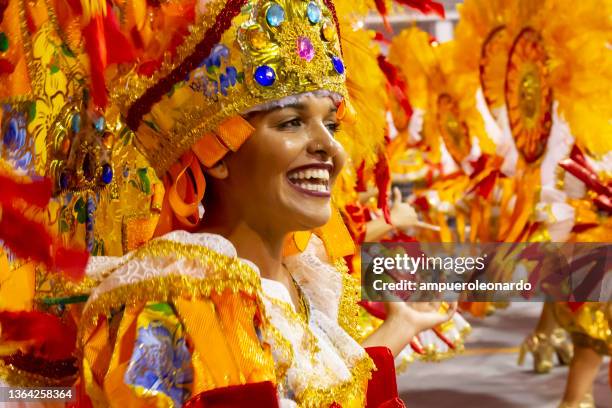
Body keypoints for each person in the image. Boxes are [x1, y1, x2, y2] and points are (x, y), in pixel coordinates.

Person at [0, 0, 458, 406]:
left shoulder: (299, 284)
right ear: (217, 155)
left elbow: (331, 390)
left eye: (331, 126)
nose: (330, 149)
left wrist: (401, 324)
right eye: (292, 123)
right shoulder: (183, 297)